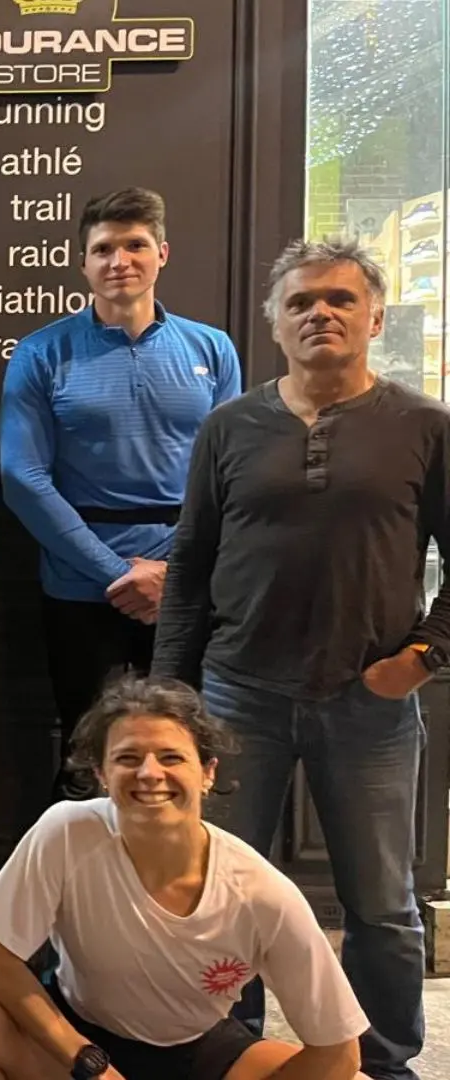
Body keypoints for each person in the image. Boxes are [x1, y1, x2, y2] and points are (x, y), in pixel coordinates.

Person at [153, 238, 443, 1080]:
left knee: (383, 908)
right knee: (223, 896)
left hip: (373, 703)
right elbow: (191, 568)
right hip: (236, 695)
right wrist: (173, 695)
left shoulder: (424, 427)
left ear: (375, 318)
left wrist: (422, 658)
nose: (321, 314)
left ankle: (385, 1065)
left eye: (341, 301)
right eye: (302, 303)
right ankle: (234, 1055)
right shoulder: (230, 427)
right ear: (274, 324)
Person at [0, 677, 370, 1080]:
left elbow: (339, 1052)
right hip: (79, 1040)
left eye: (172, 757)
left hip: (199, 1049)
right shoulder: (65, 831)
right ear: (101, 774)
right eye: (128, 758)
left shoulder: (262, 893)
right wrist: (86, 1061)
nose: (150, 774)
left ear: (208, 772)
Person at [0, 188, 241, 784]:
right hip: (82, 589)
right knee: (87, 760)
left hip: (186, 590)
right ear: (83, 263)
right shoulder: (42, 353)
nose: (120, 260)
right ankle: (81, 878)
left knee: (183, 753)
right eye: (103, 248)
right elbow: (22, 478)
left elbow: (230, 476)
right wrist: (114, 572)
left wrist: (176, 578)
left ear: (162, 253)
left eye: (135, 245)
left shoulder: (211, 349)